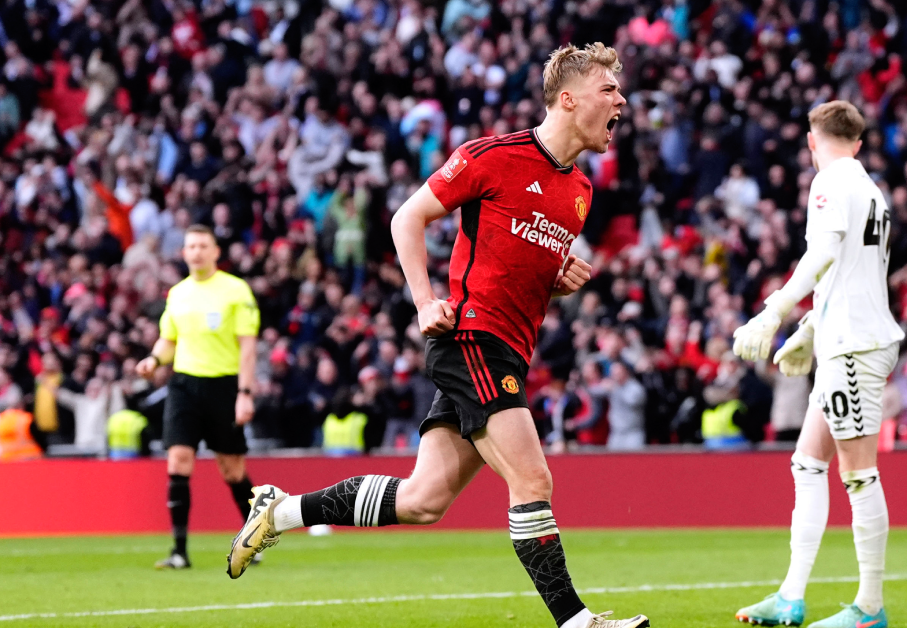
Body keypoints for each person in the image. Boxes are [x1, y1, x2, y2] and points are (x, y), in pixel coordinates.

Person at [227, 44, 648, 628]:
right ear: (569, 98)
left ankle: (282, 511)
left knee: (423, 500)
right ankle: (577, 622)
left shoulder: (580, 192)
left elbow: (517, 273)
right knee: (532, 478)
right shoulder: (491, 156)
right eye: (609, 90)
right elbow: (407, 216)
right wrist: (426, 301)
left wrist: (558, 284)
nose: (621, 100)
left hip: (508, 349)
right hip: (472, 338)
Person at [733, 101, 904, 628]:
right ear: (857, 141)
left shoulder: (830, 182)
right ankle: (790, 597)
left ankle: (869, 609)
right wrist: (810, 330)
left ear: (813, 140)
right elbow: (854, 275)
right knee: (807, 463)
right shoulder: (872, 191)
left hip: (854, 348)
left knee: (858, 474)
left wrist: (774, 311)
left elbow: (824, 254)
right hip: (843, 340)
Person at [136, 225, 261, 570]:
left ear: (215, 252)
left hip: (223, 385)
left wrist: (245, 393)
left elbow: (248, 348)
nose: (196, 252)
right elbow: (168, 339)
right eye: (190, 246)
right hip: (184, 385)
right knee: (177, 461)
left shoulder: (236, 291)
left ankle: (256, 535)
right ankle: (179, 551)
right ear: (184, 252)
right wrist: (154, 359)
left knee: (232, 469)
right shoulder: (177, 293)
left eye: (203, 245)